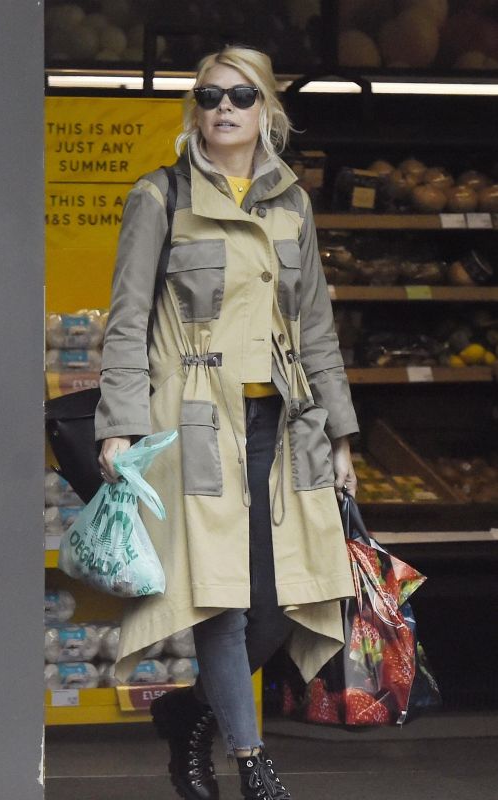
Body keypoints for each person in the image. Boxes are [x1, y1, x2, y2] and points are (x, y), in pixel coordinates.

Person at [96, 45, 359, 800]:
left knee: (286, 600)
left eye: (239, 97)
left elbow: (314, 327)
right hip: (195, 423)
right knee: (222, 598)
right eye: (208, 97)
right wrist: (120, 426)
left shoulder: (291, 202)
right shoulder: (160, 196)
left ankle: (187, 712)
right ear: (195, 110)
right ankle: (253, 764)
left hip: (285, 426)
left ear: (265, 109)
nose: (222, 110)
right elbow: (126, 322)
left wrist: (340, 434)